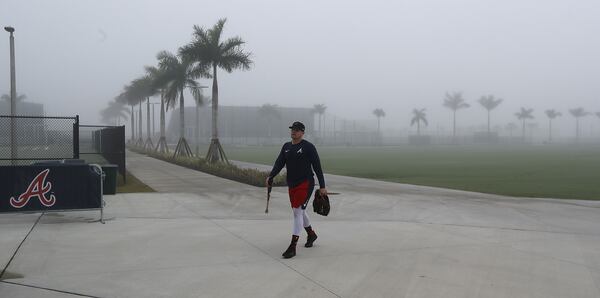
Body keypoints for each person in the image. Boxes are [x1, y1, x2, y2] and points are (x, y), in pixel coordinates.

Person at [266, 121, 327, 259]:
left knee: (297, 211)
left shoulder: (308, 147)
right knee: (299, 210)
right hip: (292, 184)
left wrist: (322, 186)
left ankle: (293, 246)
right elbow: (279, 162)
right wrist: (271, 176)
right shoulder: (286, 147)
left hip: (306, 183)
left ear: (302, 132)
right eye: (293, 129)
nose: (294, 131)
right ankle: (311, 234)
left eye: (297, 130)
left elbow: (317, 167)